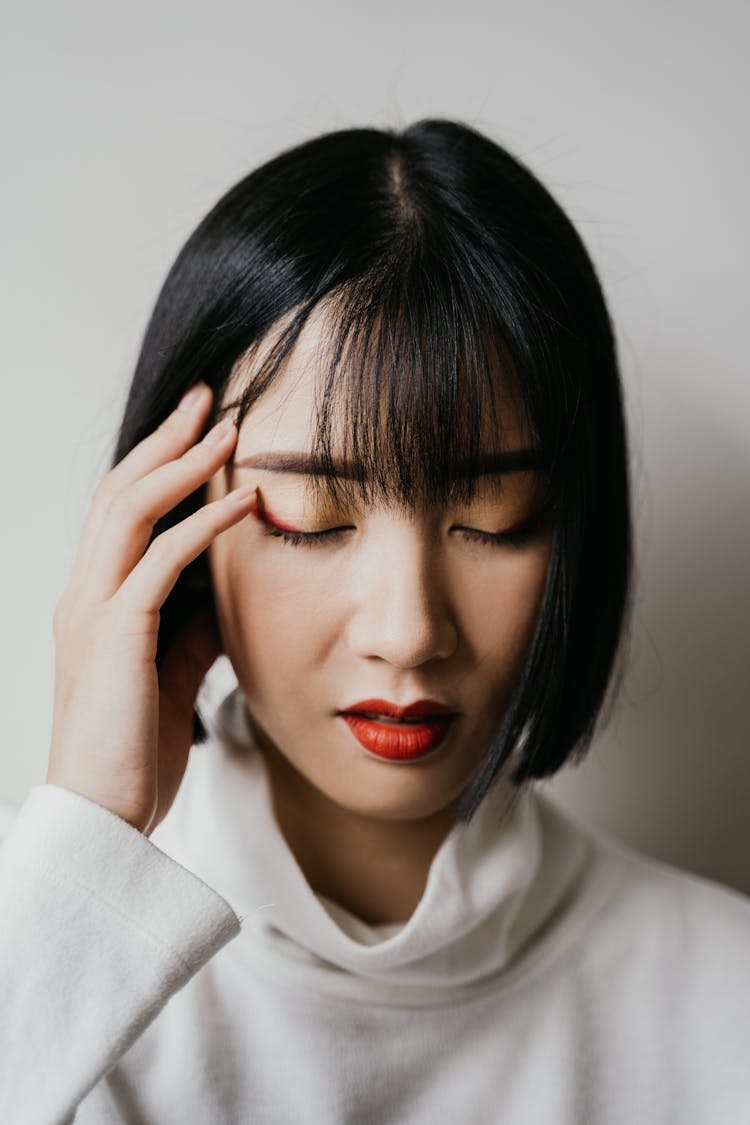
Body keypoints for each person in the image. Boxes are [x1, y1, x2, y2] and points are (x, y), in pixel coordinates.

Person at [1, 118, 748, 1124]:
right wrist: (87, 836)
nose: (407, 632)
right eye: (314, 517)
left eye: (491, 517)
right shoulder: (45, 953)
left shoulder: (720, 1001)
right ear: (177, 523)